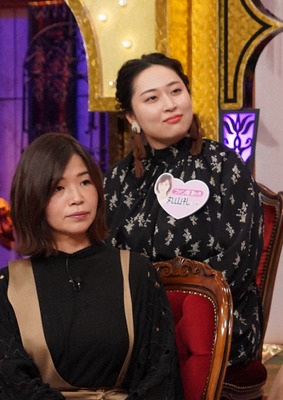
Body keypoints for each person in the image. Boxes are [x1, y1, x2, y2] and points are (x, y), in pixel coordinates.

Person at [0, 133, 183, 399]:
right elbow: (8, 381)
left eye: (85, 182)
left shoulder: (136, 272)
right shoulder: (11, 285)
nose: (77, 198)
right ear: (33, 197)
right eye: (58, 188)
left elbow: (160, 375)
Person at [105, 53, 264, 367]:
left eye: (176, 91)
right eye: (152, 98)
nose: (170, 104)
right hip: (138, 324)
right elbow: (108, 262)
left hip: (216, 322)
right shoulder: (118, 180)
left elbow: (240, 258)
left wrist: (178, 311)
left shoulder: (224, 165)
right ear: (131, 116)